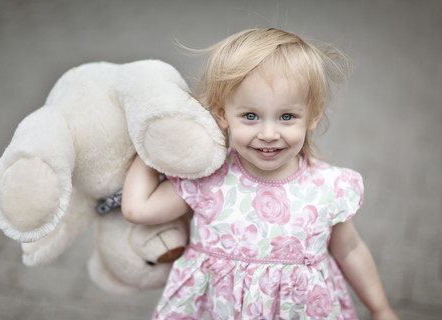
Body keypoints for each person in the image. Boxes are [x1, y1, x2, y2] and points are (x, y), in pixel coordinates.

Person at [122, 28, 398, 320]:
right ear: (222, 114)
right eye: (250, 116)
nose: (268, 134)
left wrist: (380, 308)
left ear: (313, 115)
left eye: (287, 116)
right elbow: (137, 208)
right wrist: (153, 144)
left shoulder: (328, 188)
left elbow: (350, 250)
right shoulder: (208, 179)